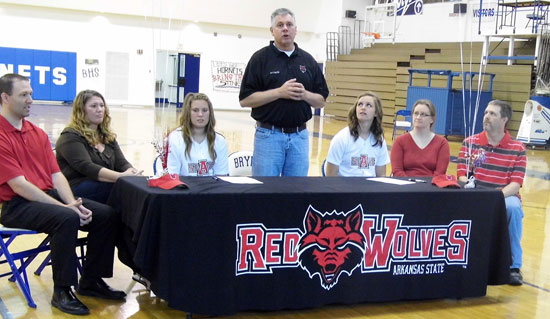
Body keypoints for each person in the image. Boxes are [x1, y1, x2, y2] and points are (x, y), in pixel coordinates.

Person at [0, 74, 125, 316]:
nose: (30, 100)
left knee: (106, 214)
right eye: (23, 95)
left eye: (31, 94)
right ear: (5, 97)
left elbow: (57, 175)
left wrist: (72, 203)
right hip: (16, 205)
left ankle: (91, 281)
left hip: (47, 196)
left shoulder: (36, 133)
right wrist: (65, 209)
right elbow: (20, 186)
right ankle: (62, 291)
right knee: (65, 218)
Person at [239, 7, 329, 176]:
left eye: (289, 24)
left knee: (296, 193)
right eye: (280, 25)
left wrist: (305, 95)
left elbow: (321, 100)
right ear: (272, 31)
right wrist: (279, 93)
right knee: (265, 192)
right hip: (268, 136)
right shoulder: (259, 59)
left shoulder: (308, 61)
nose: (285, 28)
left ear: (296, 30)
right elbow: (245, 100)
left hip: (300, 137)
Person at [457, 100, 526, 286]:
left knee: (512, 208)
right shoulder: (470, 143)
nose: (486, 116)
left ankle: (513, 267)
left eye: (492, 113)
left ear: (505, 119)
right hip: (475, 196)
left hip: (503, 197)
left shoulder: (518, 149)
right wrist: (475, 192)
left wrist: (494, 198)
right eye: (486, 112)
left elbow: (516, 184)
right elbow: (462, 175)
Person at [55, 90, 142, 204]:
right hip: (77, 188)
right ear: (81, 110)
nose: (100, 109)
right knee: (123, 189)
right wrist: (121, 177)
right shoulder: (70, 136)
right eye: (93, 106)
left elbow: (121, 163)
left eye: (102, 105)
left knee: (137, 187)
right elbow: (87, 167)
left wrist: (132, 173)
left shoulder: (107, 136)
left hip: (106, 183)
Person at [325, 92, 389, 177]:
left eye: (368, 105)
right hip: (345, 187)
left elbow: (381, 175)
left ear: (376, 113)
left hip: (369, 188)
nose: (363, 108)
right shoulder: (341, 138)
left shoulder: (379, 140)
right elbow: (330, 175)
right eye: (360, 104)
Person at [167, 92, 229, 176]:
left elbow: (222, 176)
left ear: (210, 113)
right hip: (184, 187)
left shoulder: (220, 140)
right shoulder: (176, 138)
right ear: (188, 113)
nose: (200, 114)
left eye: (204, 110)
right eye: (195, 110)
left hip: (211, 187)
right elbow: (173, 175)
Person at [390, 99, 450, 177]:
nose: (418, 117)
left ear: (432, 119)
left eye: (423, 114)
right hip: (405, 186)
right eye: (416, 113)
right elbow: (397, 171)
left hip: (431, 187)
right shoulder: (400, 141)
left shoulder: (442, 143)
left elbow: (440, 173)